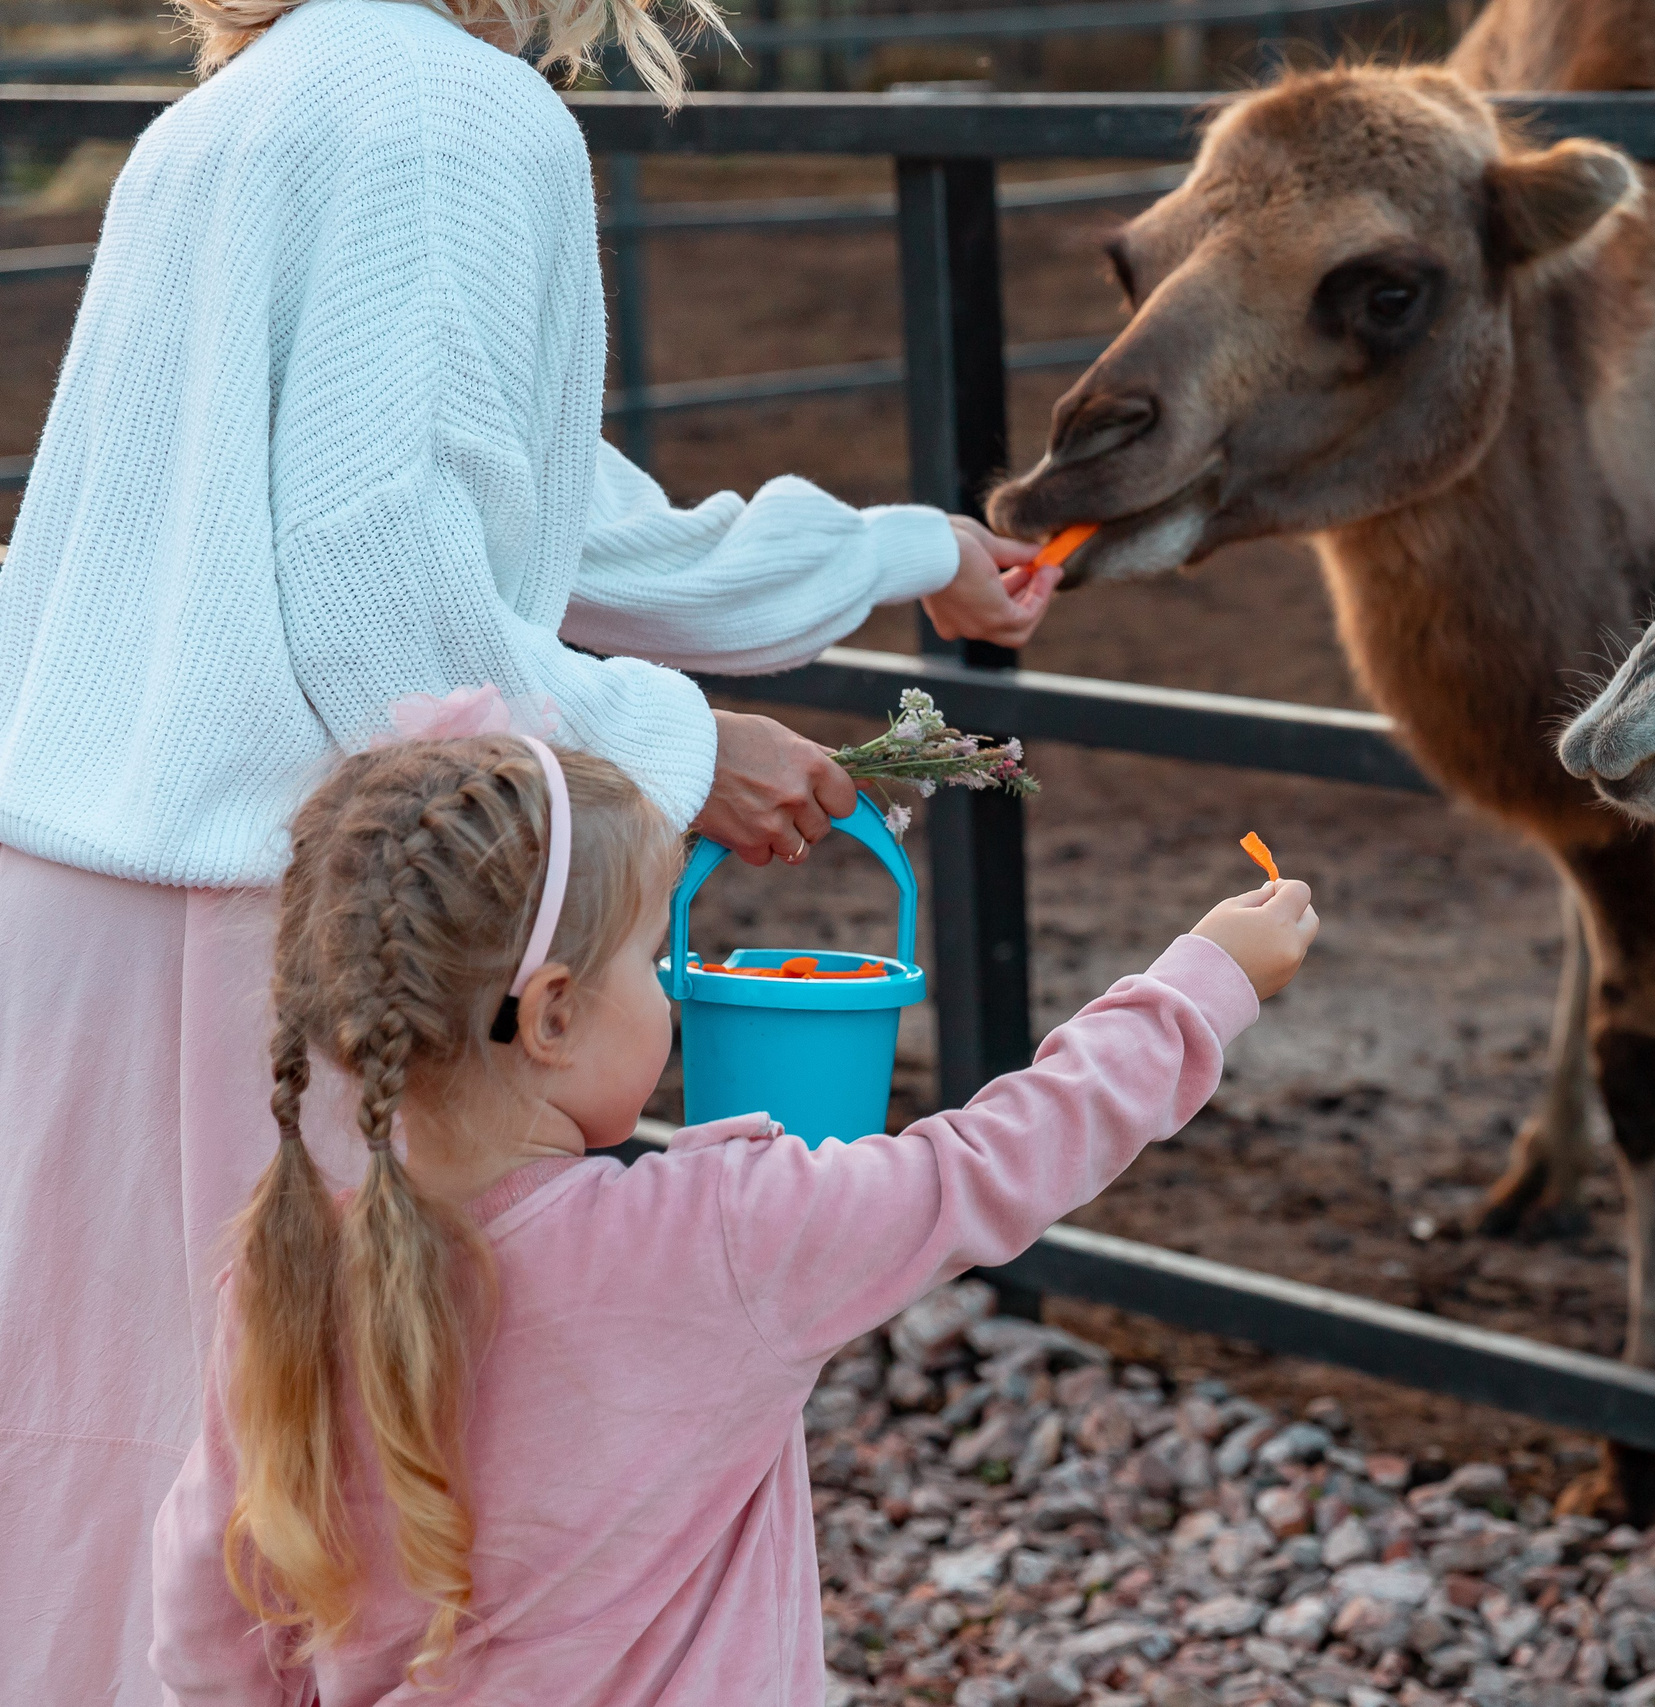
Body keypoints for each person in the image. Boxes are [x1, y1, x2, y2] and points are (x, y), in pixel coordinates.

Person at [0, 0, 1061, 1697]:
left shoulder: (263, 101)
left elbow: (538, 501)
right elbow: (385, 597)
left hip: (80, 897)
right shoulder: (443, 114)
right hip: (275, 911)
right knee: (315, 1509)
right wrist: (691, 749)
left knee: (107, 1476)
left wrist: (902, 550)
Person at [147, 729, 1319, 1700]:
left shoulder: (282, 1272)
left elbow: (212, 1607)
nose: (664, 990)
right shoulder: (724, 1234)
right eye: (651, 962)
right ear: (552, 1016)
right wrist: (1196, 990)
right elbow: (989, 1164)